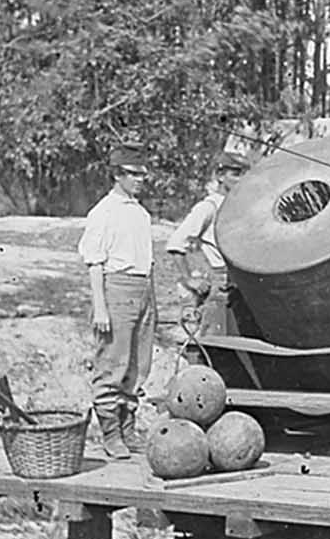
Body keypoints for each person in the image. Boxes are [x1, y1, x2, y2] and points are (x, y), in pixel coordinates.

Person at [77, 144, 157, 460]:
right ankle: (110, 434)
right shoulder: (103, 212)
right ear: (117, 175)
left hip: (143, 289)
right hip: (117, 289)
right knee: (113, 363)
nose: (141, 180)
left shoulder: (140, 212)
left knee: (138, 365)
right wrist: (100, 306)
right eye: (134, 174)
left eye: (143, 174)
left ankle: (127, 430)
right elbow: (94, 262)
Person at [167, 151, 249, 337]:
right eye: (235, 173)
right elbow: (175, 244)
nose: (242, 179)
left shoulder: (242, 204)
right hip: (220, 283)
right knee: (215, 338)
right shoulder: (209, 207)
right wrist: (189, 279)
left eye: (245, 173)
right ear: (220, 176)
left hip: (243, 281)